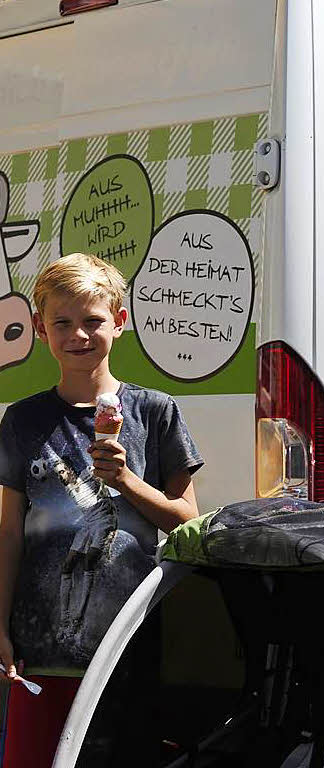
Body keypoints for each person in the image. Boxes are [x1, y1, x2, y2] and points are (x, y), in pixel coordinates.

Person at [0, 252, 203, 768]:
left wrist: (126, 480)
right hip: (40, 648)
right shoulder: (24, 421)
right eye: (62, 323)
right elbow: (9, 533)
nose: (79, 335)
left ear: (119, 321)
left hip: (126, 645)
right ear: (42, 333)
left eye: (92, 321)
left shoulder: (154, 412)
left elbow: (189, 524)